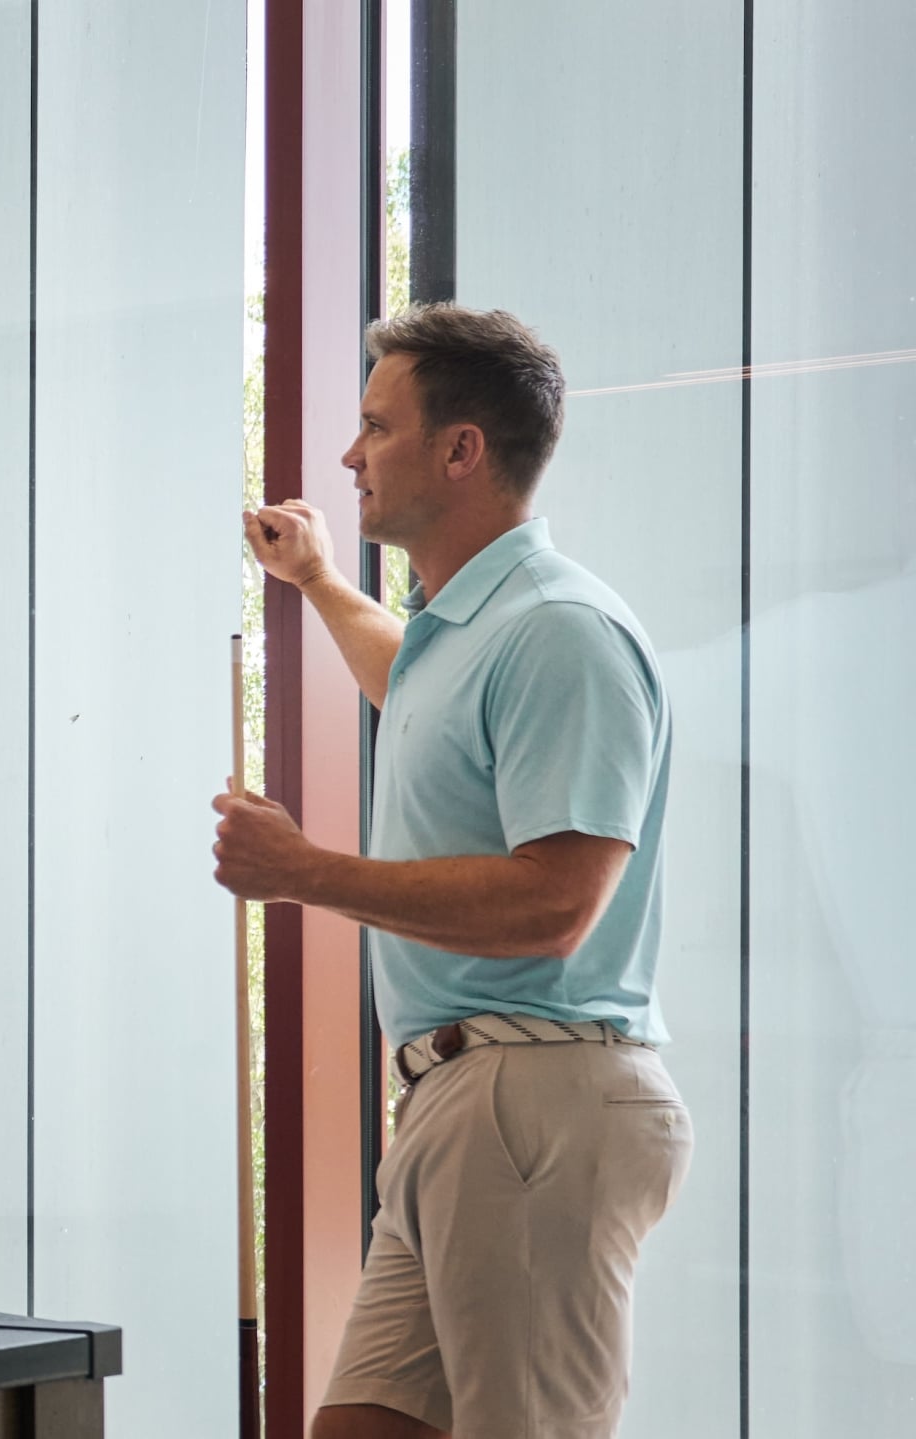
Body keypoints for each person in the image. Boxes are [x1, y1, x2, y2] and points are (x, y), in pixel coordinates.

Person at [215, 304, 691, 1438]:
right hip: (461, 1102)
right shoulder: (465, 633)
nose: (346, 455)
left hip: (531, 1101)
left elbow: (554, 903)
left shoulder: (560, 632)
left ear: (460, 448)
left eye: (374, 426)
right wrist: (320, 580)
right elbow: (412, 692)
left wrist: (303, 871)